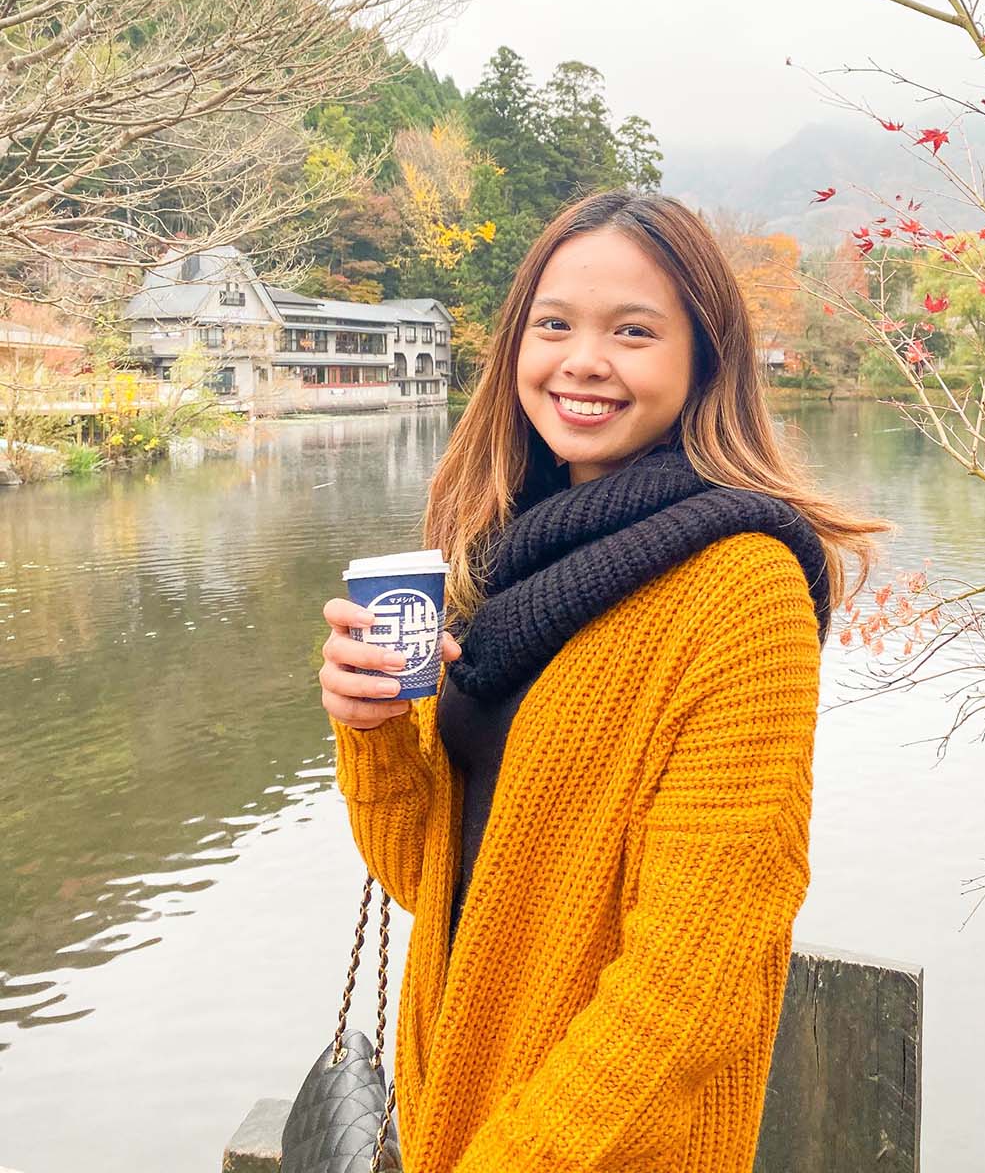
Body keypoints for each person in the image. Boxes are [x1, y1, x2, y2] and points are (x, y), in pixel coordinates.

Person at [319, 189, 891, 1173]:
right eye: (555, 325)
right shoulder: (498, 562)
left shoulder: (741, 587)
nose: (584, 360)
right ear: (516, 348)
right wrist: (372, 726)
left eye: (633, 331)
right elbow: (432, 879)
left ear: (703, 359)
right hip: (457, 1115)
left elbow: (692, 982)